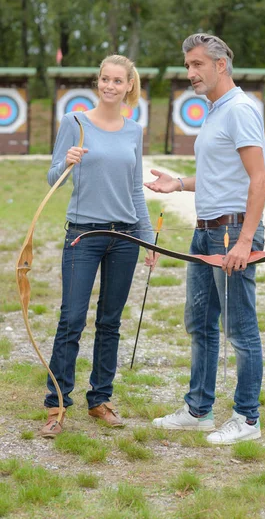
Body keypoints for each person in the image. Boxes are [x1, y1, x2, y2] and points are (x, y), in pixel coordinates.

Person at [145, 34, 265, 445]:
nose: (190, 73)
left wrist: (244, 240)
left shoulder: (240, 110)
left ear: (221, 65)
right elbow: (218, 176)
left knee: (240, 329)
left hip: (232, 234)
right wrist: (178, 183)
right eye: (187, 66)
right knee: (200, 324)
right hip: (205, 233)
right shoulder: (214, 111)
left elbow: (258, 179)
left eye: (197, 64)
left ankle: (247, 419)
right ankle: (198, 410)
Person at [41, 54, 156, 438]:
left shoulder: (134, 131)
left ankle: (100, 400)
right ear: (98, 82)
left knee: (110, 322)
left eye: (117, 80)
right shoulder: (74, 123)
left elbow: (135, 189)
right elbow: (52, 177)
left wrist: (149, 239)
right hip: (83, 235)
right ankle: (56, 404)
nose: (109, 85)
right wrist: (67, 162)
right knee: (71, 319)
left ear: (128, 86)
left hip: (125, 238)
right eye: (104, 79)